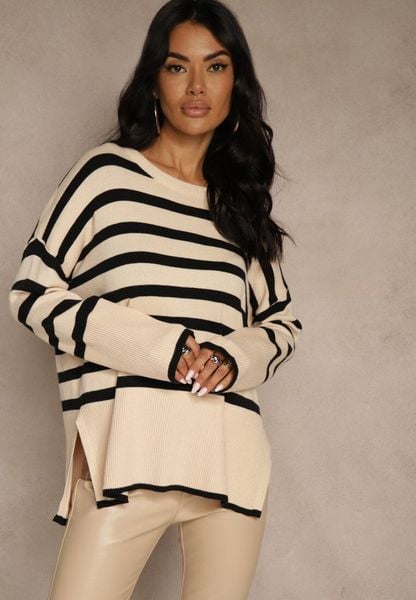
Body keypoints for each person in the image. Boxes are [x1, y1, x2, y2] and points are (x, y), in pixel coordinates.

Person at [8, 0, 302, 598]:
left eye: (215, 67)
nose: (197, 86)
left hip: (228, 458)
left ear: (236, 82)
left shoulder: (239, 205)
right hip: (126, 450)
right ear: (154, 80)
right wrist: (162, 347)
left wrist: (233, 357)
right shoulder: (104, 177)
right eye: (177, 66)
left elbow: (281, 324)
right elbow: (31, 294)